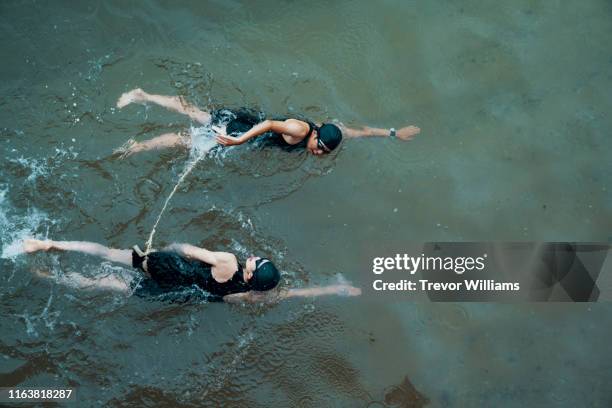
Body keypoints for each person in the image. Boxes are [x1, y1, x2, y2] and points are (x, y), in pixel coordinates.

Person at [22, 238, 361, 303]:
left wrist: (162, 251)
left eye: (259, 262)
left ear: (250, 270)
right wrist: (332, 289)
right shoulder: (245, 296)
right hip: (175, 293)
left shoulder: (228, 260)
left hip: (170, 267)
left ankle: (51, 245)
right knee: (109, 284)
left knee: (110, 255)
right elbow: (289, 294)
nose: (257, 258)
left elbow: (187, 249)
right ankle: (51, 277)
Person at [115, 88, 421, 156]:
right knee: (192, 139)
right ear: (313, 136)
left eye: (324, 152)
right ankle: (140, 144)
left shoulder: (332, 131)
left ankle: (145, 96)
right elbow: (273, 124)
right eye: (318, 148)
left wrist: (394, 133)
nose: (318, 152)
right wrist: (239, 139)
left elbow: (362, 131)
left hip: (245, 125)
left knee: (198, 114)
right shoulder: (300, 130)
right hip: (243, 128)